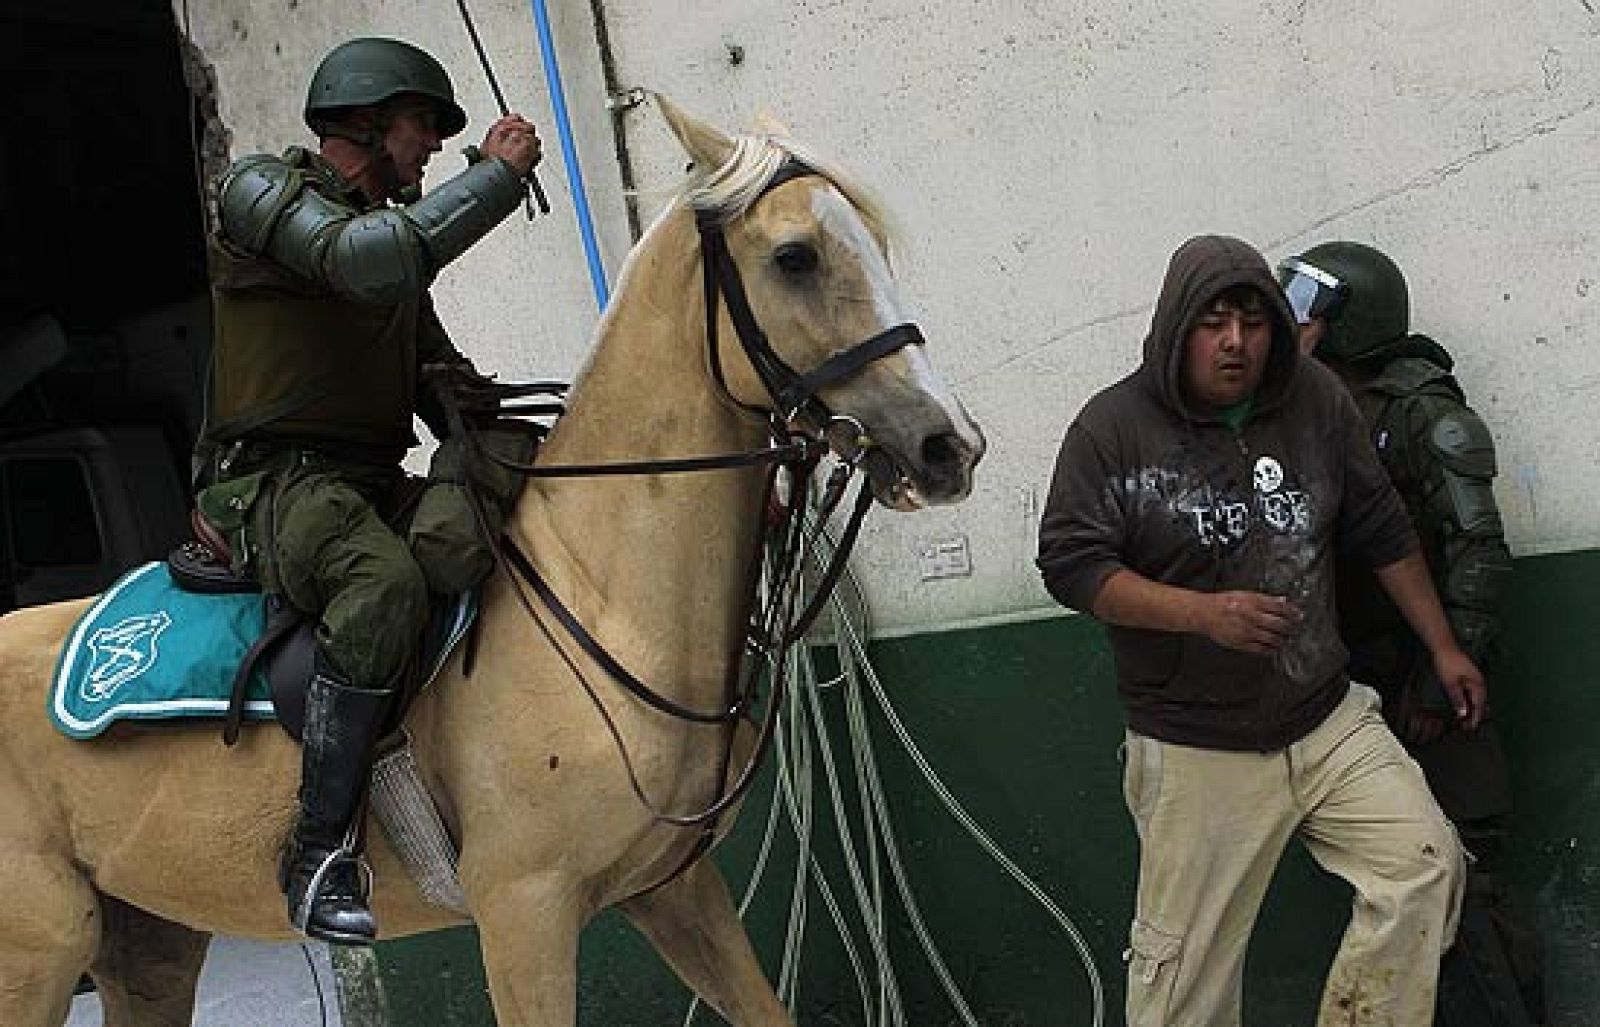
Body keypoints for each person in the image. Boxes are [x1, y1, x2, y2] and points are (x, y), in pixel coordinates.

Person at [1036, 234, 1486, 1026]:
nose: (1235, 341)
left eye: (1253, 320)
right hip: (1195, 741)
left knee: (1423, 866)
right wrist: (1202, 614)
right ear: (1177, 327)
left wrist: (1444, 646)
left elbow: (1381, 527)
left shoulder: (1314, 398)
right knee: (1184, 989)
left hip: (1324, 716)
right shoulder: (1113, 428)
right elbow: (1070, 565)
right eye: (1213, 321)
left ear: (1279, 326)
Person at [198, 36, 543, 944]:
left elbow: (425, 358)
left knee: (475, 529)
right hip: (272, 486)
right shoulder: (261, 192)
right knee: (381, 584)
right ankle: (316, 852)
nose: (431, 145)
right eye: (421, 123)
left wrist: (459, 396)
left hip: (363, 480)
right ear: (364, 117)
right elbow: (361, 261)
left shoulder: (393, 252)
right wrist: (496, 180)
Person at [1282, 241, 1545, 1025]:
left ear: (1350, 320)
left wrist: (1439, 674)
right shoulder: (1314, 412)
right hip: (1355, 689)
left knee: (1471, 881)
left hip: (1432, 685)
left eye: (1309, 307)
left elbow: (1479, 553)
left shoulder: (1425, 413)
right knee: (1400, 888)